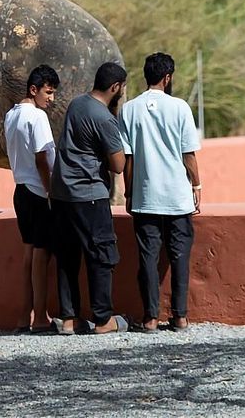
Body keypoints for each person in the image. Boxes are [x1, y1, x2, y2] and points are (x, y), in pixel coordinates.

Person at [119, 52, 202, 333]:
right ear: (167, 77)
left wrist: (129, 194)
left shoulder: (129, 109)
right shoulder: (180, 108)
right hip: (177, 196)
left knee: (147, 258)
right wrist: (197, 184)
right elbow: (188, 154)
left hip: (145, 196)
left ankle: (150, 318)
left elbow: (127, 159)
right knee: (180, 256)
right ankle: (180, 317)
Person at [50, 62, 128, 335]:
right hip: (89, 194)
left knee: (68, 257)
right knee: (101, 254)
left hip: (61, 193)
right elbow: (118, 165)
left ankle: (70, 318)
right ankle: (103, 319)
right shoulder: (104, 117)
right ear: (115, 87)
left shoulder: (77, 104)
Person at [4, 64, 60, 334]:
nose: (51, 99)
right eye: (48, 93)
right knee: (41, 254)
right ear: (34, 89)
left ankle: (24, 315)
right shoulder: (37, 117)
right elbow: (43, 157)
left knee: (29, 253)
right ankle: (40, 317)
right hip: (38, 190)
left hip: (20, 189)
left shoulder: (11, 115)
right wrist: (51, 191)